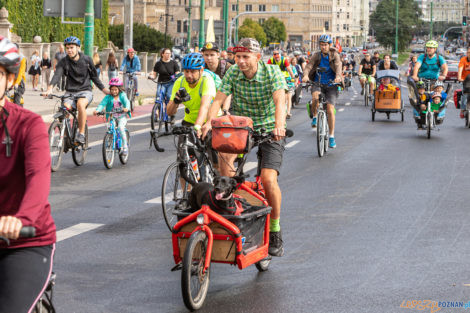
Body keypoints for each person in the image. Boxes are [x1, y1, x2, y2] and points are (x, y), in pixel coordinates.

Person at [200, 38, 288, 257]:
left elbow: (280, 102)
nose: (240, 61)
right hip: (241, 128)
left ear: (258, 57)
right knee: (224, 163)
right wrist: (210, 122)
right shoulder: (232, 73)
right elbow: (218, 101)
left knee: (268, 179)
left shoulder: (272, 73)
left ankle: (275, 229)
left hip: (269, 129)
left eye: (245, 57)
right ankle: (230, 209)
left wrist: (279, 126)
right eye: (237, 57)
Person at [0, 35, 56, 313]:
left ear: (10, 80)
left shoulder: (28, 125)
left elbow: (38, 177)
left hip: (24, 241)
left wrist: (20, 219)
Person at [45, 36, 109, 145]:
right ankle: (65, 137)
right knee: (64, 110)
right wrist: (50, 88)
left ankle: (81, 133)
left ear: (78, 48)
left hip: (85, 91)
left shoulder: (87, 60)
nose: (69, 50)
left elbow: (94, 77)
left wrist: (104, 90)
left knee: (80, 104)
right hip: (70, 92)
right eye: (67, 48)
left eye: (72, 47)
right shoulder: (63, 61)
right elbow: (57, 75)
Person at [302, 34, 343, 148]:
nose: (323, 47)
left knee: (330, 109)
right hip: (318, 82)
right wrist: (305, 75)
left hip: (331, 84)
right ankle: (315, 116)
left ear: (329, 45)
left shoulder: (335, 55)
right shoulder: (316, 55)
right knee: (315, 97)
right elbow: (309, 66)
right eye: (321, 45)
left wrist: (338, 77)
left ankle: (331, 136)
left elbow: (338, 66)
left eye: (325, 45)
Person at [167, 53, 216, 134]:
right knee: (183, 145)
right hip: (189, 121)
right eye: (186, 71)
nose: (189, 75)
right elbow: (169, 112)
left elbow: (205, 107)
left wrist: (197, 127)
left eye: (193, 71)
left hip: (209, 121)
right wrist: (176, 101)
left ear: (201, 70)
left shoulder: (207, 80)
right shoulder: (180, 82)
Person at [93, 77, 131, 155]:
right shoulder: (108, 97)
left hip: (122, 116)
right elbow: (102, 104)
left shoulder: (122, 95)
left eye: (115, 89)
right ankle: (111, 139)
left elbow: (127, 102)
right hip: (112, 116)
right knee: (111, 128)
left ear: (119, 89)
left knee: (120, 127)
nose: (114, 91)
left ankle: (125, 147)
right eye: (112, 89)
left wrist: (126, 108)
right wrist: (97, 110)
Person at [268, 49, 296, 120]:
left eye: (277, 54)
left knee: (288, 97)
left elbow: (289, 69)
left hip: (285, 79)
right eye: (274, 54)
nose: (276, 56)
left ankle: (288, 112)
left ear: (280, 55)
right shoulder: (270, 60)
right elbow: (267, 70)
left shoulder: (284, 60)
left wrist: (293, 77)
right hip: (276, 79)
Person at [457, 46, 470, 118]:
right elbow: (460, 68)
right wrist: (459, 77)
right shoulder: (463, 59)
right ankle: (462, 110)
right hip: (465, 81)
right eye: (468, 52)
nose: (469, 54)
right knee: (464, 94)